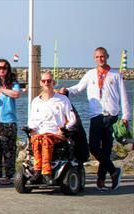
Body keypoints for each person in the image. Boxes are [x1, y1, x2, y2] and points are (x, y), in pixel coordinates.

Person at [60, 47, 130, 191]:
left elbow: (124, 97)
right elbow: (79, 88)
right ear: (94, 58)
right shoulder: (90, 74)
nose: (100, 59)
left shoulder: (115, 75)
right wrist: (66, 91)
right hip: (96, 115)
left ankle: (101, 180)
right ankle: (114, 171)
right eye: (97, 57)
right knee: (93, 147)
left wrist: (126, 116)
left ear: (107, 56)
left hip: (111, 116)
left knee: (106, 149)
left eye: (102, 56)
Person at [29, 72, 76, 185]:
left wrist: (64, 128)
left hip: (56, 133)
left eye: (49, 81)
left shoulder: (62, 99)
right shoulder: (36, 101)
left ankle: (46, 172)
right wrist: (31, 129)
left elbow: (72, 119)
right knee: (37, 139)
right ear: (40, 83)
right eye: (44, 81)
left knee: (45, 139)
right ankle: (37, 170)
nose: (46, 83)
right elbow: (31, 121)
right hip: (39, 133)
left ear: (53, 83)